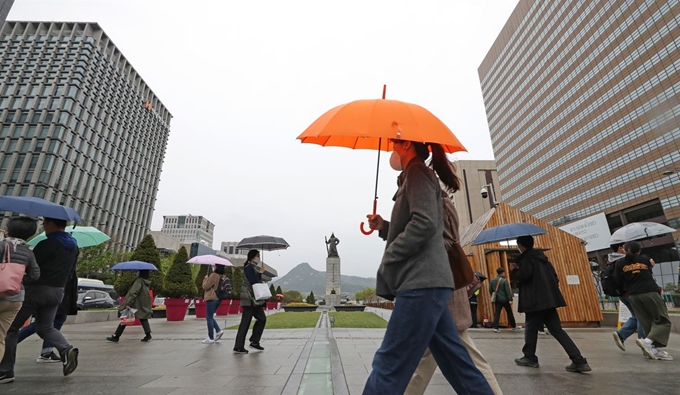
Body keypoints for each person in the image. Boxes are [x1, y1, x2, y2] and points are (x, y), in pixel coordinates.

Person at [363, 139, 493, 394]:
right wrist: (385, 226)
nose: (391, 151)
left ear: (406, 146)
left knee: (390, 362)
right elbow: (419, 223)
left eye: (393, 145)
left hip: (421, 281)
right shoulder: (415, 175)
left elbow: (424, 224)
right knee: (457, 363)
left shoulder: (418, 172)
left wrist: (391, 255)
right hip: (429, 283)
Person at [0, 217, 80, 384]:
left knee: (11, 329)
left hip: (37, 290)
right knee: (45, 327)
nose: (43, 226)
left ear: (51, 224)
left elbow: (32, 269)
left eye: (44, 223)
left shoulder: (47, 244)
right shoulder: (73, 246)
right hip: (58, 292)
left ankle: (6, 370)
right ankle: (66, 349)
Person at [511, 235, 590, 373]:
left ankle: (530, 357)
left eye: (518, 245)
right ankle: (579, 360)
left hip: (535, 301)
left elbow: (524, 276)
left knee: (531, 328)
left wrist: (514, 270)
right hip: (548, 300)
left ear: (520, 245)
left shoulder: (526, 259)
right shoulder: (543, 259)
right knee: (556, 330)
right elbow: (555, 278)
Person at [615, 241, 672, 361]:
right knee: (662, 320)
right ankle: (647, 342)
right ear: (639, 250)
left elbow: (619, 280)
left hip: (633, 296)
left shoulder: (620, 263)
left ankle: (653, 350)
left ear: (624, 250)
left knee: (646, 322)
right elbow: (651, 266)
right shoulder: (644, 258)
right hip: (649, 292)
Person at [0, 218, 41, 369]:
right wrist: (16, 280)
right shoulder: (28, 252)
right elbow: (35, 275)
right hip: (15, 297)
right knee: (1, 337)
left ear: (8, 231)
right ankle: (4, 369)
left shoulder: (2, 245)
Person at [18, 267, 77, 363]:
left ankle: (48, 351)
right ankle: (49, 352)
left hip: (55, 293)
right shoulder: (64, 259)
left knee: (46, 324)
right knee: (43, 325)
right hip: (55, 292)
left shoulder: (65, 258)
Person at [607, 243, 645, 351]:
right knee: (642, 317)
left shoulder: (611, 260)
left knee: (635, 316)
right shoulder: (623, 261)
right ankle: (645, 343)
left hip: (621, 293)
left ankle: (621, 335)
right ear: (620, 249)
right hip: (631, 292)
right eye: (625, 247)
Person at [233, 250, 267, 354]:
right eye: (257, 256)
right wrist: (260, 273)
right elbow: (254, 282)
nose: (259, 257)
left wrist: (259, 273)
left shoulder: (252, 267)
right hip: (249, 299)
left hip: (254, 300)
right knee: (245, 322)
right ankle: (238, 346)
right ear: (252, 257)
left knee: (262, 319)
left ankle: (254, 341)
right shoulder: (249, 268)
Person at [106, 270, 153, 342]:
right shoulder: (146, 281)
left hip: (136, 303)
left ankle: (116, 336)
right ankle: (148, 334)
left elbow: (134, 292)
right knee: (143, 318)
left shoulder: (139, 281)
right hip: (142, 303)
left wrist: (128, 303)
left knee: (125, 317)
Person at [201, 265, 225, 344]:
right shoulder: (221, 276)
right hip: (218, 298)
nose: (213, 267)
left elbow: (205, 286)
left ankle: (211, 337)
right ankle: (218, 330)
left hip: (212, 298)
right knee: (210, 316)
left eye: (214, 265)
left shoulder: (213, 275)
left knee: (209, 318)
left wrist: (205, 279)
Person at [490, 267, 517, 333]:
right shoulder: (504, 281)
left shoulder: (492, 280)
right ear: (502, 273)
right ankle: (513, 326)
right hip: (505, 299)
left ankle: (495, 327)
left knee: (497, 313)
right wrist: (510, 299)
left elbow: (490, 290)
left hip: (497, 300)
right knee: (509, 313)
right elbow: (507, 291)